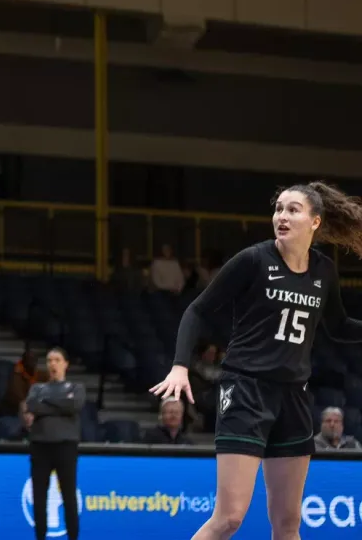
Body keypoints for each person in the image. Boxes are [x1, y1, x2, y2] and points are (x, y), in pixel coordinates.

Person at [152, 182, 362, 540]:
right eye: (278, 208)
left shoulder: (324, 271)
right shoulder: (254, 260)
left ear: (315, 221)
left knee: (288, 523)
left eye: (292, 210)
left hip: (294, 396)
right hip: (246, 390)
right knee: (229, 518)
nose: (281, 216)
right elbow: (197, 310)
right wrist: (179, 365)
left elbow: (338, 326)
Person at [25, 348, 83, 540]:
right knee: (39, 498)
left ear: (65, 363)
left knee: (68, 497)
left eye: (57, 360)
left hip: (66, 446)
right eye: (49, 360)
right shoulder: (36, 388)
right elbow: (32, 406)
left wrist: (47, 403)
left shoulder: (76, 388)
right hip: (40, 446)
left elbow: (74, 405)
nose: (53, 364)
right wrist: (60, 404)